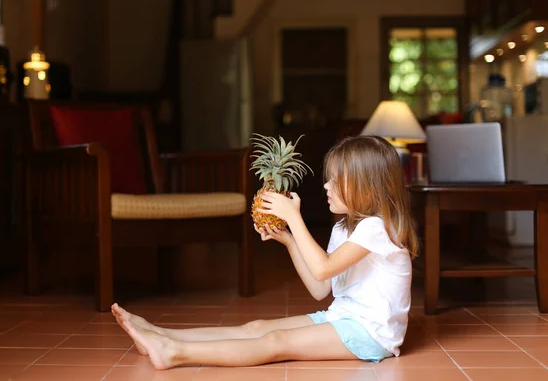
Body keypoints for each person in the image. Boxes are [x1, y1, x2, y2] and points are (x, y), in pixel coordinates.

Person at [111, 135, 419, 370]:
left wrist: (295, 218)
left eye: (337, 181)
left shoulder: (377, 229)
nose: (327, 185)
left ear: (369, 187)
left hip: (371, 334)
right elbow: (319, 288)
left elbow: (323, 269)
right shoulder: (343, 229)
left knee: (276, 342)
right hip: (341, 318)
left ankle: (175, 352)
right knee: (255, 328)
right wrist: (288, 240)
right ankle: (161, 333)